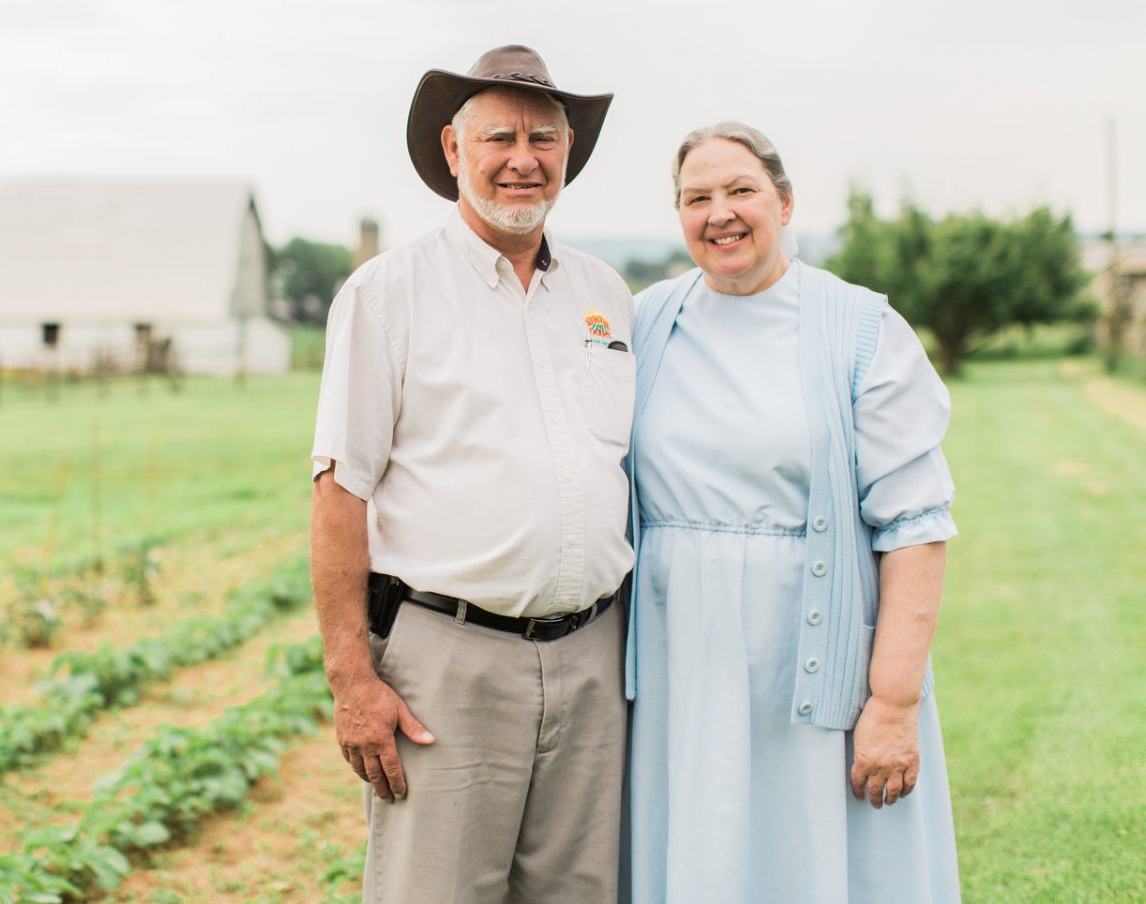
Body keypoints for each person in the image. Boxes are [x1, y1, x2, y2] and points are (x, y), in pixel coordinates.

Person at [310, 44, 636, 902]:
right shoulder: (386, 293)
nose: (523, 159)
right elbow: (340, 490)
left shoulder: (606, 295)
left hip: (594, 660)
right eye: (499, 137)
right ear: (454, 150)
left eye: (543, 138)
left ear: (568, 150)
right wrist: (352, 679)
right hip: (450, 665)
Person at [622, 122, 961, 903]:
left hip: (805, 655)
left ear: (784, 202)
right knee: (701, 848)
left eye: (740, 190)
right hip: (678, 660)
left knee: (809, 856)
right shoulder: (644, 323)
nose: (720, 213)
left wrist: (893, 703)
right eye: (696, 197)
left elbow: (914, 527)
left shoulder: (862, 329)